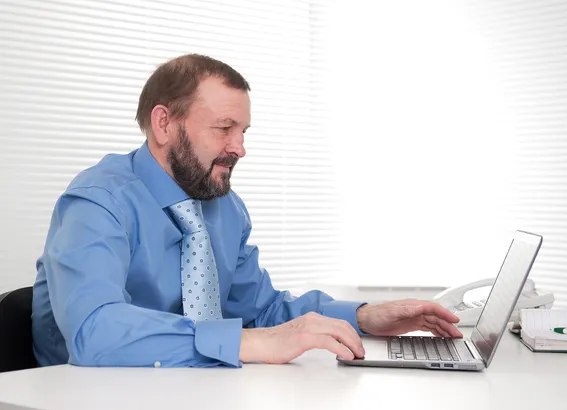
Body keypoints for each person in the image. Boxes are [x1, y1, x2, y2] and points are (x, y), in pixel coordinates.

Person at [31, 54, 462, 368]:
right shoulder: (97, 201)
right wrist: (249, 343)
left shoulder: (223, 207)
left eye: (243, 131)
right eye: (224, 129)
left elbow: (262, 312)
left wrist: (364, 316)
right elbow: (95, 332)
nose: (240, 148)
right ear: (164, 124)